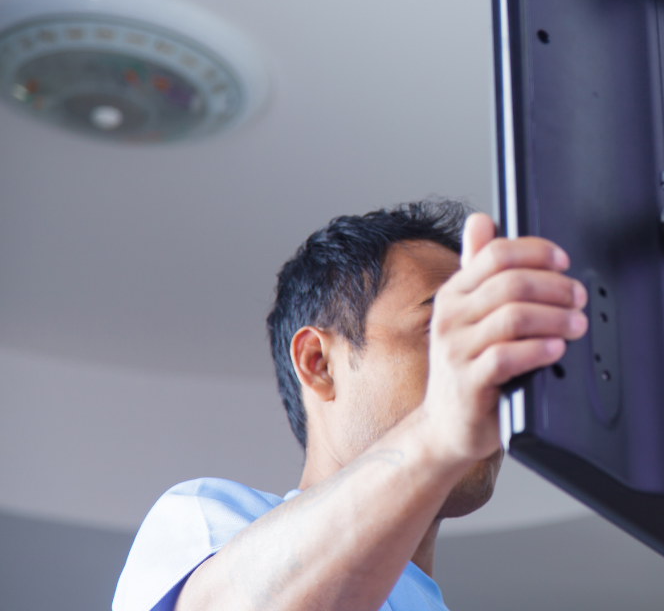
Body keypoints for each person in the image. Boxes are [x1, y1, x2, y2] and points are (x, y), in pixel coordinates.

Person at [112, 200, 588, 611]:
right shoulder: (203, 524)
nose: (485, 363)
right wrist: (439, 427)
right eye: (441, 326)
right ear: (318, 363)